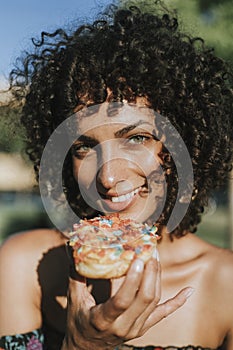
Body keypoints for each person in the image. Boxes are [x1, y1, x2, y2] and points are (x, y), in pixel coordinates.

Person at [0, 2, 233, 349]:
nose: (108, 177)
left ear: (187, 145)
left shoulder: (225, 284)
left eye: (137, 139)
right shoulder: (24, 265)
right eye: (83, 147)